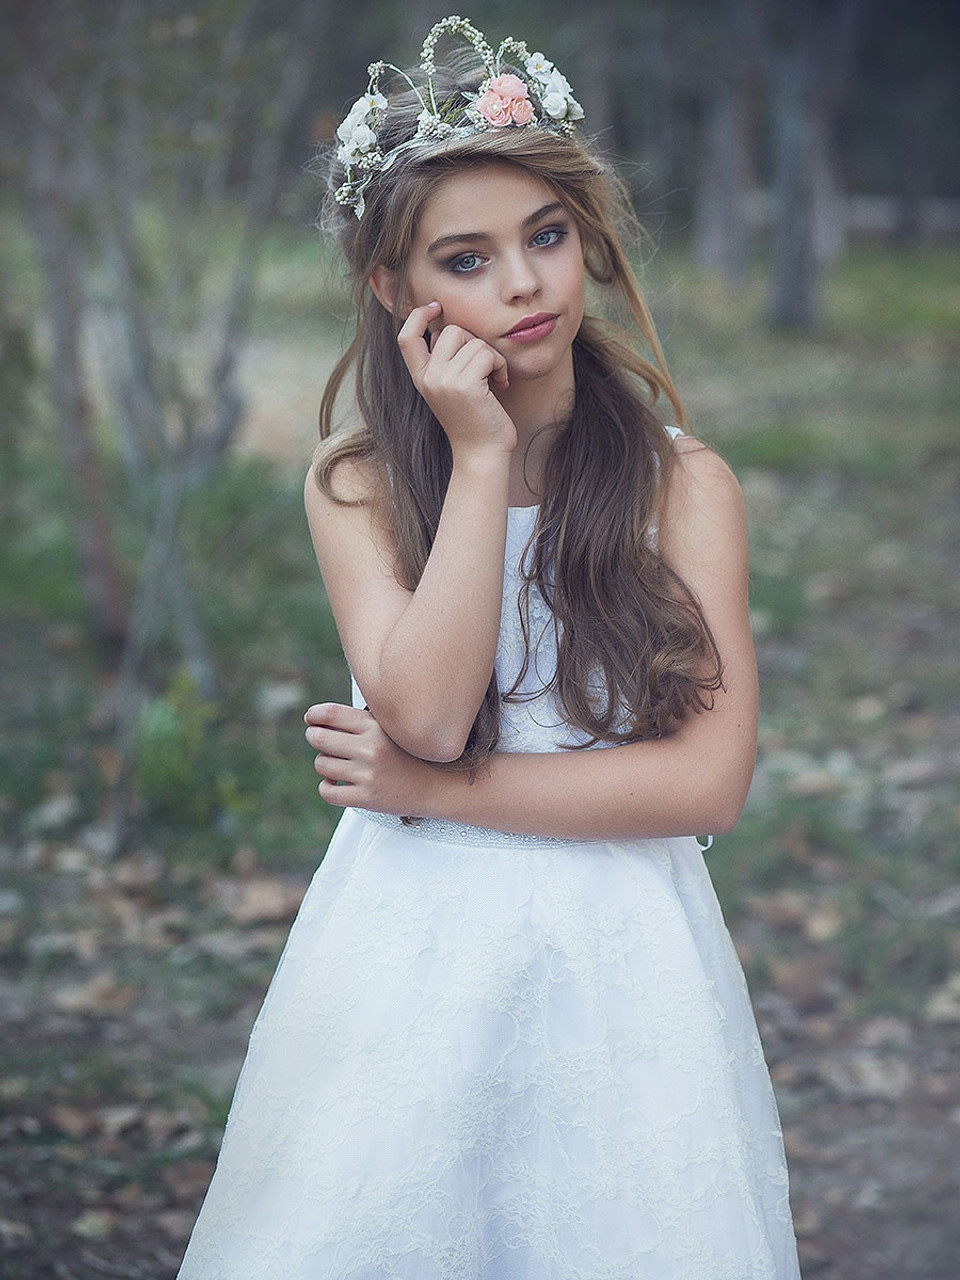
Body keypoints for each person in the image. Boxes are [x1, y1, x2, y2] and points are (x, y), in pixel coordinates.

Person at [178, 16, 800, 1279]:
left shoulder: (686, 488)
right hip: (411, 952)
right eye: (467, 258)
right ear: (395, 291)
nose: (523, 286)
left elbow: (705, 781)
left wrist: (436, 794)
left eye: (547, 236)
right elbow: (425, 710)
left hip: (622, 958)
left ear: (588, 238)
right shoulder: (359, 486)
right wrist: (479, 458)